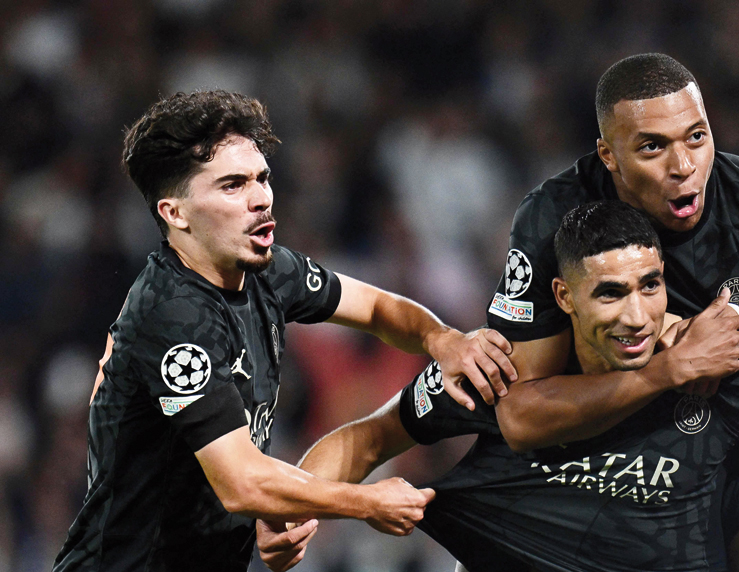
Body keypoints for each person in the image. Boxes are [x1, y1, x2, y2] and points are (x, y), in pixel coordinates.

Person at [52, 90, 517, 572]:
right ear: (175, 213)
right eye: (232, 185)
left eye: (262, 178)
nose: (260, 198)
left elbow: (379, 308)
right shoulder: (171, 315)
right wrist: (367, 502)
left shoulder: (267, 272)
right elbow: (243, 483)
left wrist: (443, 339)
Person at [258, 201, 739, 572]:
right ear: (563, 299)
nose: (637, 316)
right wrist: (293, 512)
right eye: (610, 293)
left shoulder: (719, 364)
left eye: (650, 286)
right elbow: (367, 440)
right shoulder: (501, 373)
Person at [457, 53, 739, 570]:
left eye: (696, 138)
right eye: (653, 147)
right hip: (587, 442)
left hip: (720, 432)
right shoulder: (553, 220)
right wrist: (668, 366)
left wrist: (726, 332)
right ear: (608, 155)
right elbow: (521, 416)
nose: (683, 167)